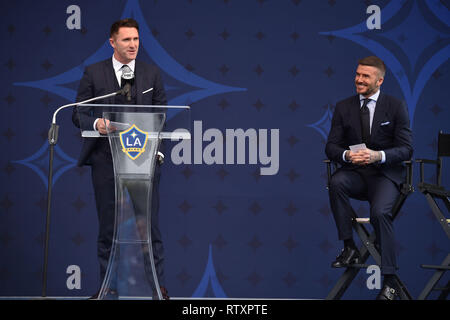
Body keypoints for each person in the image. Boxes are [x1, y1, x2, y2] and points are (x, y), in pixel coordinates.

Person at [72, 18, 169, 299]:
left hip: (143, 161)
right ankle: (107, 288)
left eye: (136, 39)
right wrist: (96, 124)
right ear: (112, 42)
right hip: (106, 160)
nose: (133, 45)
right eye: (126, 40)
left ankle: (157, 290)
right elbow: (77, 113)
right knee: (107, 229)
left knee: (149, 229)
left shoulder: (152, 74)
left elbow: (162, 114)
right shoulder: (94, 73)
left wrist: (156, 148)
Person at [325, 56, 413, 300]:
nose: (359, 79)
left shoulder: (396, 106)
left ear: (379, 80)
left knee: (379, 213)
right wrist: (346, 155)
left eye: (365, 76)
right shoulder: (344, 107)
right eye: (357, 74)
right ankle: (349, 247)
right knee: (336, 183)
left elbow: (406, 150)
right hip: (356, 174)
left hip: (386, 175)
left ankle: (389, 282)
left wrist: (378, 155)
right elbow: (331, 146)